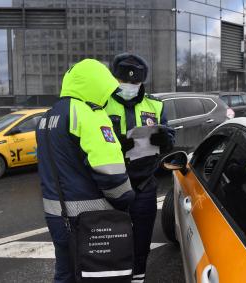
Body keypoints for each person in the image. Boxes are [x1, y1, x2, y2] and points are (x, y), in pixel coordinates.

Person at [36, 59, 135, 283]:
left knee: (65, 274)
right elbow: (111, 173)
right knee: (94, 276)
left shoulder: (47, 117)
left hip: (56, 216)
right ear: (96, 84)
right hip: (89, 220)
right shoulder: (89, 114)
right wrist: (127, 199)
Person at [105, 53, 175, 283]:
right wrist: (118, 144)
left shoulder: (155, 104)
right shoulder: (102, 103)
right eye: (125, 81)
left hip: (144, 183)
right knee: (113, 236)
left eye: (135, 82)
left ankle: (138, 277)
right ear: (115, 78)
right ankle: (116, 276)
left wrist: (164, 139)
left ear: (142, 81)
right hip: (112, 183)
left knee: (143, 236)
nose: (130, 86)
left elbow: (170, 136)